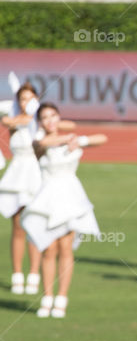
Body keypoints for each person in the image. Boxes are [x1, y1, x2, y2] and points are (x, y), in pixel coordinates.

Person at [20, 102, 107, 319]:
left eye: (53, 116)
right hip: (48, 199)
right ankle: (47, 296)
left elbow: (102, 138)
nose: (50, 121)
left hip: (71, 198)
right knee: (49, 250)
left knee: (66, 249)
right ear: (40, 122)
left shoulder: (71, 138)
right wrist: (68, 138)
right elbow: (44, 142)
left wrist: (79, 140)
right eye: (45, 118)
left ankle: (62, 298)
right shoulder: (40, 141)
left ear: (59, 118)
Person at [0, 81, 52, 294]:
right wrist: (11, 117)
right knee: (18, 225)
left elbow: (31, 120)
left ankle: (34, 273)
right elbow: (7, 118)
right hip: (17, 175)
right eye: (22, 98)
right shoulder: (12, 118)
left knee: (34, 224)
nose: (26, 102)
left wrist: (17, 117)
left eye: (30, 98)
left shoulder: (39, 120)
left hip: (36, 175)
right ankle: (17, 274)